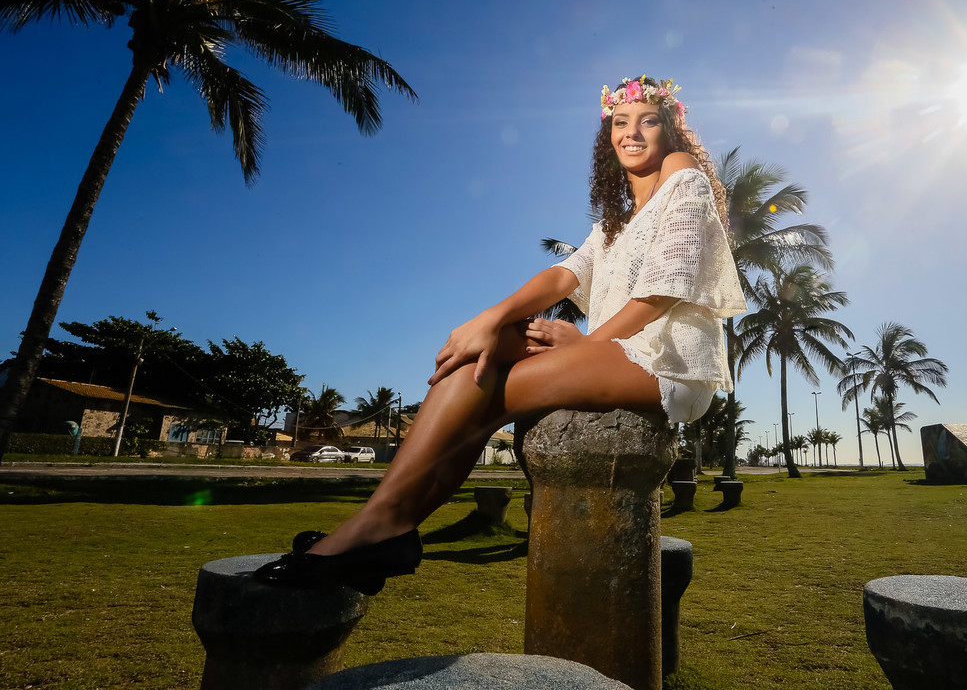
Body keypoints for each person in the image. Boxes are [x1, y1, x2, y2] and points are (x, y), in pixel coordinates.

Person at [255, 76, 746, 594]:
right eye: (620, 122)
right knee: (474, 358)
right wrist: (489, 319)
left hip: (665, 360)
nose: (633, 133)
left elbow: (663, 291)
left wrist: (588, 344)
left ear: (671, 131)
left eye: (649, 121)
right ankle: (386, 526)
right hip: (612, 351)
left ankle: (378, 527)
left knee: (489, 396)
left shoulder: (682, 172)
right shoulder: (615, 222)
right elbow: (563, 275)